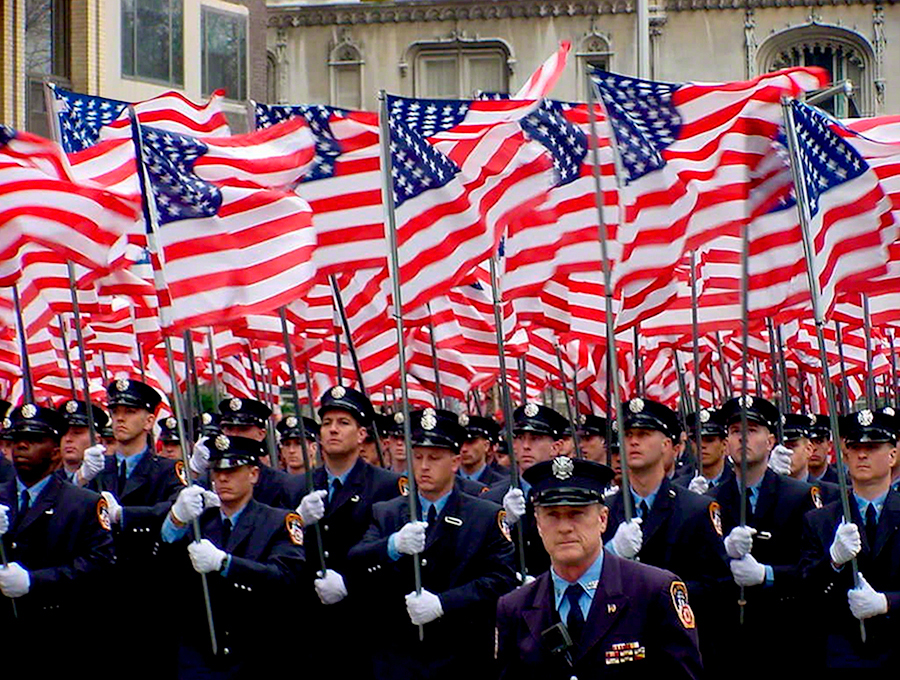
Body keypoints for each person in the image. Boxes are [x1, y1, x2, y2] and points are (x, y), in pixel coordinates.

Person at [495, 457, 703, 679]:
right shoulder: (516, 607)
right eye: (552, 515)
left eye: (577, 514)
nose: (565, 527)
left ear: (603, 519)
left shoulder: (652, 592)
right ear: (538, 523)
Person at [349, 408, 517, 679]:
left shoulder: (483, 515)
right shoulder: (388, 512)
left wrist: (444, 603)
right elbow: (357, 560)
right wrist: (393, 545)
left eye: (434, 458)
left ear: (454, 461)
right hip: (399, 658)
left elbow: (502, 579)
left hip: (462, 655)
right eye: (418, 457)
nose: (424, 466)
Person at [160, 433, 306, 677]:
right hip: (201, 653)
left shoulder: (279, 521)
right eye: (217, 472)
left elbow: (284, 576)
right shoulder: (199, 522)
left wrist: (225, 563)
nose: (223, 478)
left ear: (254, 474)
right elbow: (165, 568)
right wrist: (175, 521)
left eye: (233, 470)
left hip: (256, 652)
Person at [604, 397, 730, 672]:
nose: (633, 442)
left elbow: (718, 587)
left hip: (674, 650)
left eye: (644, 434)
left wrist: (657, 594)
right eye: (627, 435)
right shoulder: (603, 512)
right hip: (616, 652)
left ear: (667, 445)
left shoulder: (695, 509)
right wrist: (610, 553)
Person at [0, 404, 115, 674]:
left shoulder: (82, 503)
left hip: (58, 637)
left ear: (55, 451)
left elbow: (101, 565)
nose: (22, 447)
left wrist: (35, 581)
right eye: (16, 440)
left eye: (35, 440)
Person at [295, 385, 402, 674]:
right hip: (308, 625)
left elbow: (394, 558)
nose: (333, 430)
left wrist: (350, 585)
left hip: (365, 624)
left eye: (343, 423)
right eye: (327, 423)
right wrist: (297, 522)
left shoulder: (386, 486)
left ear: (362, 434)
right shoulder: (296, 486)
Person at [709, 395, 818, 673]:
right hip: (728, 640)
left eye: (752, 430)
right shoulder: (709, 501)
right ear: (726, 443)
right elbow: (700, 572)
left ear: (770, 442)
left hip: (785, 636)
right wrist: (725, 552)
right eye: (735, 432)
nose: (742, 439)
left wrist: (766, 574)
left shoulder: (798, 496)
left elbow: (812, 570)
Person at [89, 378, 186, 677]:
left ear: (149, 420)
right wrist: (77, 478)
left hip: (149, 598)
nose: (119, 417)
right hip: (98, 599)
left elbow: (174, 510)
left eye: (129, 411)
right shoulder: (96, 469)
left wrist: (125, 516)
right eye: (115, 409)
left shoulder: (167, 470)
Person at [798, 408, 900, 668]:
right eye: (854, 447)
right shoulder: (820, 520)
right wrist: (832, 561)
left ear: (893, 455)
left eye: (873, 446)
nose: (862, 454)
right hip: (843, 653)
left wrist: (886, 602)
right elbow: (805, 591)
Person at [485, 403, 568, 576]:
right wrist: (504, 523)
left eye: (535, 438)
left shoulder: (568, 494)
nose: (526, 446)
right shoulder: (492, 498)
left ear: (556, 447)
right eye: (520, 438)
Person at [191, 396, 305, 509]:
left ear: (261, 434)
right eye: (229, 428)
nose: (234, 436)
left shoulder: (282, 484)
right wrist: (194, 470)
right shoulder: (208, 479)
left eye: (243, 429)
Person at [783, 413, 841, 505]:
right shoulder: (765, 492)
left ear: (808, 449)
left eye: (791, 447)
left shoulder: (834, 493)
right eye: (781, 447)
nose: (786, 453)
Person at [55, 399, 108, 485]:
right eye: (63, 432)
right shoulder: (47, 479)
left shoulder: (110, 477)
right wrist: (78, 479)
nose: (68, 439)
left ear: (96, 439)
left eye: (77, 433)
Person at [682, 408, 734, 493]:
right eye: (696, 440)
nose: (702, 445)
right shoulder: (680, 486)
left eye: (709, 440)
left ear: (724, 444)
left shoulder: (738, 483)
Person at [458, 414, 507, 485]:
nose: (464, 449)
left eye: (470, 442)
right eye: (460, 442)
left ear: (486, 446)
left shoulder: (502, 483)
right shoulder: (446, 483)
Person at [808, 413, 840, 483]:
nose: (814, 448)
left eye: (819, 442)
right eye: (809, 443)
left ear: (829, 445)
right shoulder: (791, 484)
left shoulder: (843, 483)